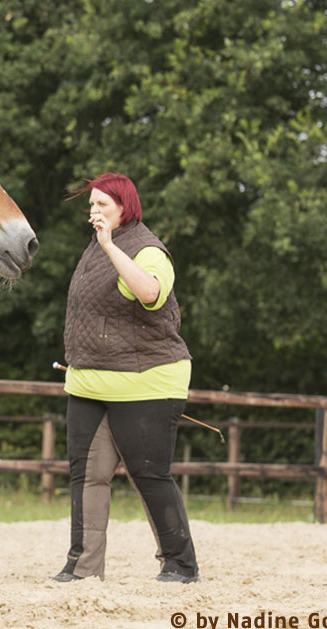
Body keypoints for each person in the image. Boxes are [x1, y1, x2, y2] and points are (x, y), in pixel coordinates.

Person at [54, 172, 199, 584]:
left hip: (147, 382)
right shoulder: (94, 250)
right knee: (87, 477)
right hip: (88, 384)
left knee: (149, 475)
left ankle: (180, 564)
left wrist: (109, 247)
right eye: (92, 205)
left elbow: (150, 293)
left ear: (125, 206)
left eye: (102, 204)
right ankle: (82, 566)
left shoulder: (148, 249)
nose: (94, 211)